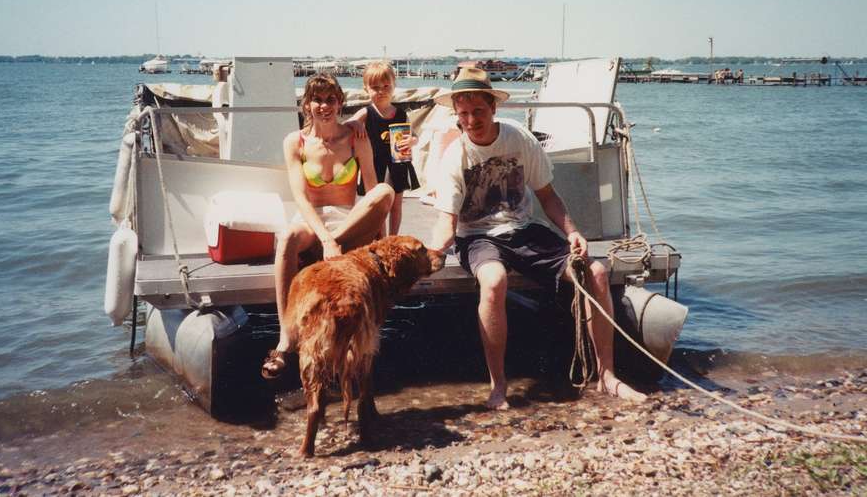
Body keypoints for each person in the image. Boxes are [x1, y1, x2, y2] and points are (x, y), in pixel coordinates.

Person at [427, 67, 647, 409]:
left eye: (478, 111)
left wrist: (573, 232)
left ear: (493, 108)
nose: (471, 120)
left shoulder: (517, 139)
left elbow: (548, 195)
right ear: (456, 114)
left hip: (523, 229)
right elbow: (447, 221)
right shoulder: (455, 156)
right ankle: (498, 386)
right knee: (494, 279)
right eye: (464, 114)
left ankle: (607, 376)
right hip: (477, 236)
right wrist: (431, 252)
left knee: (598, 272)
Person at [261, 73, 395, 379]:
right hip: (313, 221)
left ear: (340, 103)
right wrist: (326, 240)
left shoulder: (356, 136)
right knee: (286, 238)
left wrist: (380, 242)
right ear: (306, 105)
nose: (324, 106)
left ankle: (336, 239)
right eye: (317, 100)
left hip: (347, 219)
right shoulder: (295, 142)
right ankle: (286, 338)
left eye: (330, 99)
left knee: (385, 192)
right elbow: (300, 198)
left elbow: (373, 189)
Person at [349, 61, 419, 235]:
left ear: (394, 85)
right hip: (374, 166)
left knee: (396, 204)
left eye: (386, 86)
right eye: (375, 87)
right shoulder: (367, 113)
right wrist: (356, 124)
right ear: (366, 89)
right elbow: (347, 124)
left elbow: (415, 135)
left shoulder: (401, 114)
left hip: (398, 164)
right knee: (378, 206)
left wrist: (411, 141)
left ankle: (393, 237)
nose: (381, 91)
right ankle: (380, 238)